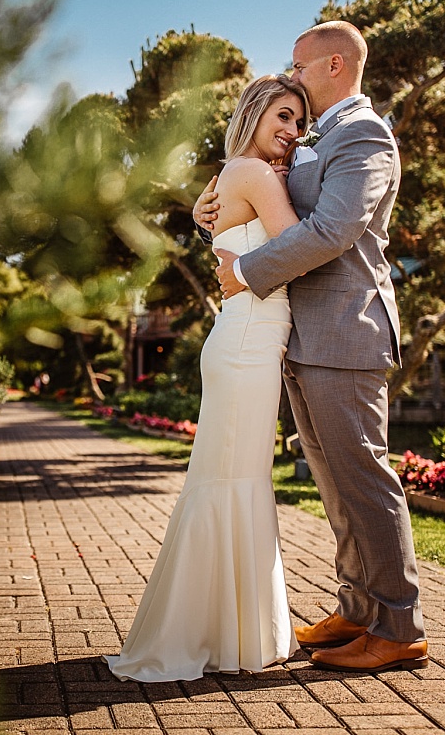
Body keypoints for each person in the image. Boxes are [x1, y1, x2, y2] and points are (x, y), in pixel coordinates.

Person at [195, 21, 428, 673]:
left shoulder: (365, 135)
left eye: (299, 66)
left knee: (363, 478)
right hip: (304, 338)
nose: (291, 76)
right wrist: (204, 209)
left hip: (346, 334)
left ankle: (398, 627)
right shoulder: (316, 141)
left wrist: (243, 273)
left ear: (333, 64)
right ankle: (359, 611)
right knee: (334, 485)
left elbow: (330, 230)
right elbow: (248, 188)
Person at [105, 74, 307, 681]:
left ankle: (226, 632)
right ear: (253, 113)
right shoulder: (253, 172)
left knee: (234, 479)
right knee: (233, 481)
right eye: (282, 116)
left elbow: (233, 238)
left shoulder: (233, 175)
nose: (292, 132)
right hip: (247, 341)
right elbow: (299, 242)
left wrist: (203, 223)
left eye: (299, 121)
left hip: (245, 340)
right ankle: (212, 634)